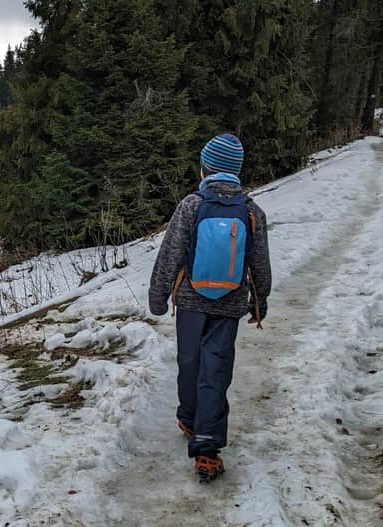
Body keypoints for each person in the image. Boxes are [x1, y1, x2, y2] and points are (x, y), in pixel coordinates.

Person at [148, 133, 272, 483]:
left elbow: (170, 254)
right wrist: (259, 301)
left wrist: (158, 298)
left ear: (205, 169)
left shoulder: (191, 205)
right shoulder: (251, 210)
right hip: (229, 303)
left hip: (189, 301)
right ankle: (207, 448)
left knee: (189, 362)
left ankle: (189, 418)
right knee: (215, 368)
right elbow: (260, 262)